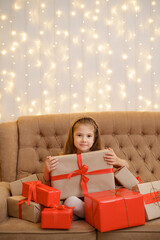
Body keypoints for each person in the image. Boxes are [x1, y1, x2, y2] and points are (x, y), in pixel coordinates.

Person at [44, 117, 129, 220]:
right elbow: (50, 185)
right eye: (79, 135)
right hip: (79, 202)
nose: (84, 140)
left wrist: (117, 160)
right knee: (70, 201)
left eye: (89, 136)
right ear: (72, 137)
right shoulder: (62, 159)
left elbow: (126, 166)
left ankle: (89, 214)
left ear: (94, 139)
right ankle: (96, 214)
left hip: (100, 199)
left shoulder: (103, 156)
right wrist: (47, 170)